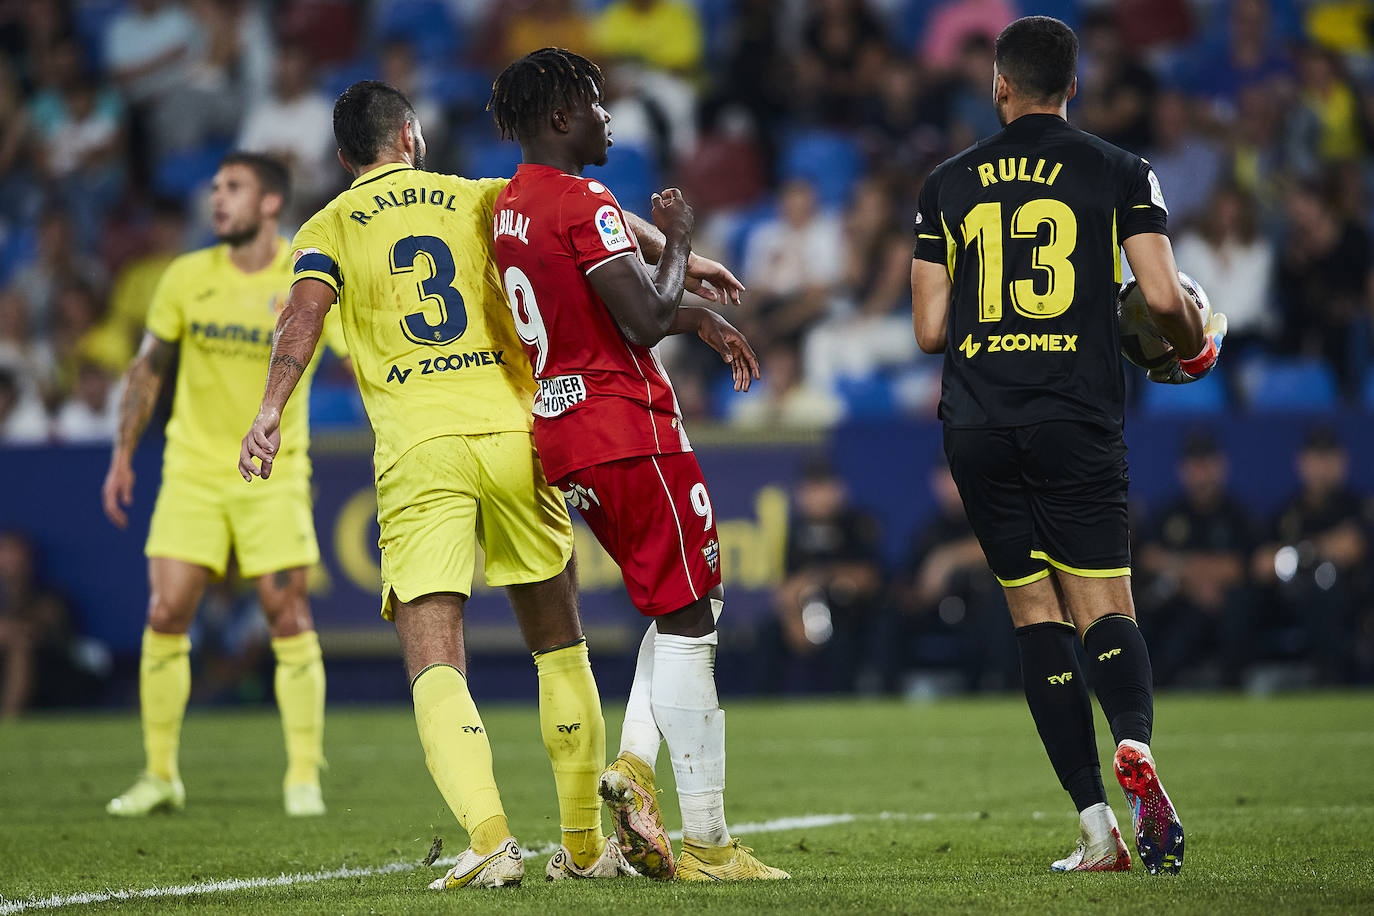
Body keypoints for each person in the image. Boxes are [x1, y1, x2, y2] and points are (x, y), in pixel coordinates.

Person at [239, 79, 741, 888]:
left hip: (419, 447)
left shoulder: (325, 225)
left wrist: (269, 408)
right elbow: (580, 208)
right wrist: (675, 252)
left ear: (343, 158)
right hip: (518, 432)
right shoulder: (477, 194)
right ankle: (584, 849)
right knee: (557, 638)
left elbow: (301, 316)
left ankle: (490, 839)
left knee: (433, 650)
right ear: (410, 135)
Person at [910, 16, 1227, 875]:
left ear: (998, 85)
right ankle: (1136, 745)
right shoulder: (1121, 169)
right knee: (1104, 605)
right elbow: (1162, 298)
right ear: (1073, 87)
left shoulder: (946, 183)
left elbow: (930, 327)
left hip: (978, 420)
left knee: (1032, 612)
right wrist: (1194, 344)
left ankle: (1095, 827)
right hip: (1074, 415)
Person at [489, 46, 785, 883]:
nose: (608, 116)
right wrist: (684, 242)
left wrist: (697, 314)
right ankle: (710, 843)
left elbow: (612, 298)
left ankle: (634, 768)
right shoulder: (582, 197)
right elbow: (644, 316)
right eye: (593, 102)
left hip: (565, 429)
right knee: (694, 618)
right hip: (628, 426)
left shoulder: (512, 201)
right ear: (559, 117)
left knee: (685, 594)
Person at [101, 154, 338, 819]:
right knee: (165, 613)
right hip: (194, 468)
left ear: (269, 203)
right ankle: (160, 775)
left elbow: (355, 348)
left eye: (233, 189)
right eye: (214, 189)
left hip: (274, 470)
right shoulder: (186, 276)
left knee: (287, 614)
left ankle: (302, 776)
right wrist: (123, 454)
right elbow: (149, 369)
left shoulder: (307, 272)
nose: (217, 201)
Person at [1136, 433, 1254, 687]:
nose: (1202, 473)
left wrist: (1183, 568)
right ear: (1183, 469)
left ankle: (1233, 686)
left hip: (1225, 603)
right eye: (1195, 464)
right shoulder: (1168, 513)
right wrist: (1194, 580)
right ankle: (1155, 684)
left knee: (1238, 608)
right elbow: (1147, 557)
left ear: (1221, 466)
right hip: (1181, 601)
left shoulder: (1237, 514)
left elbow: (1244, 565)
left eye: (1207, 463)